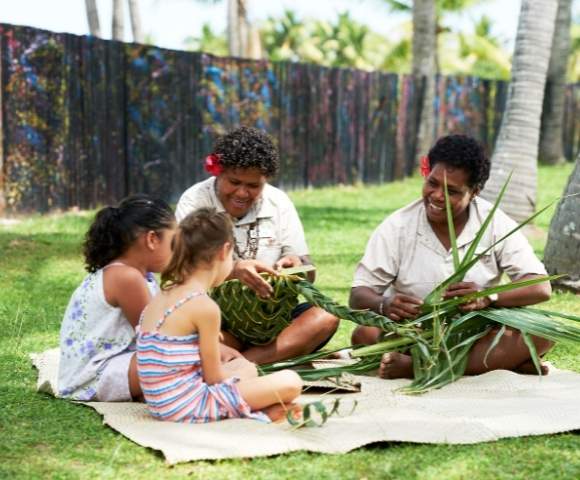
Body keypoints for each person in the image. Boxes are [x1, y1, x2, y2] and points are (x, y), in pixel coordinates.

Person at [349, 134, 552, 379]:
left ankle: (418, 367)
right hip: (414, 333)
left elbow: (541, 287)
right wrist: (385, 304)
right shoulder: (397, 227)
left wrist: (488, 297)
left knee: (544, 332)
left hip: (476, 331)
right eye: (432, 183)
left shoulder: (494, 223)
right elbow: (359, 294)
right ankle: (500, 362)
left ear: (474, 192)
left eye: (452, 191)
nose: (436, 196)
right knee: (365, 334)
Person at [175, 126, 339, 364]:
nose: (242, 193)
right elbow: (184, 270)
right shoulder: (194, 201)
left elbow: (309, 272)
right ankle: (263, 359)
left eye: (253, 186)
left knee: (326, 316)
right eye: (234, 182)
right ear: (218, 172)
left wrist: (297, 265)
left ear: (266, 180)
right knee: (205, 336)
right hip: (218, 319)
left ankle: (240, 364)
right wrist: (233, 270)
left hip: (272, 318)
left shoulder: (278, 202)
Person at [137, 208, 303, 423]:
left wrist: (241, 373)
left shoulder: (163, 294)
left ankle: (262, 407)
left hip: (159, 403)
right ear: (225, 251)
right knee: (291, 381)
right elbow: (214, 378)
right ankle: (254, 410)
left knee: (246, 367)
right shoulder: (205, 306)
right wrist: (239, 378)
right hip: (187, 406)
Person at [58, 195, 176, 401]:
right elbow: (158, 337)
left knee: (196, 351)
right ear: (152, 239)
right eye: (173, 242)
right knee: (181, 358)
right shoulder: (127, 278)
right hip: (91, 378)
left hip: (113, 364)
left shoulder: (138, 275)